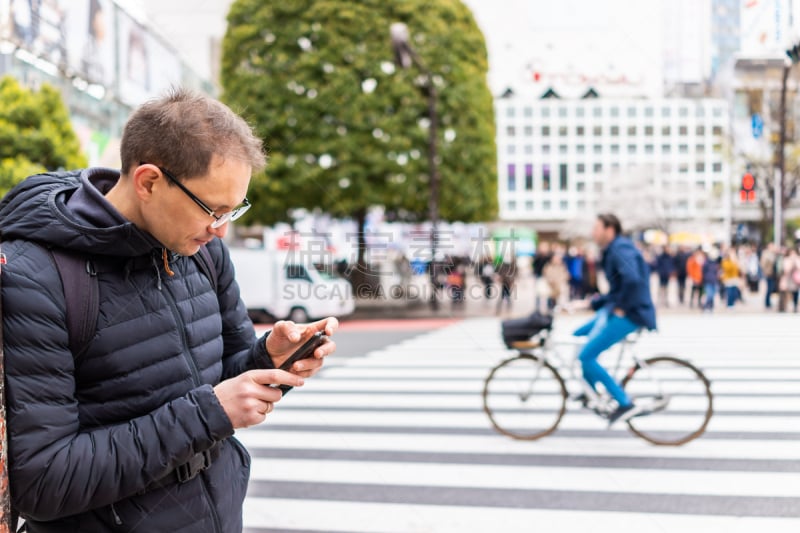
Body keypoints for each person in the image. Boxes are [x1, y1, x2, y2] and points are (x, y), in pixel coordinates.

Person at [0, 89, 338, 532]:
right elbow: (44, 481)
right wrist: (208, 413)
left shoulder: (200, 251)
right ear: (148, 181)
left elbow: (222, 380)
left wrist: (268, 360)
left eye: (233, 211)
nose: (219, 230)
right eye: (212, 209)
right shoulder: (35, 274)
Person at [573, 214, 657, 425]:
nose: (593, 233)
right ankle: (590, 390)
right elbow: (619, 288)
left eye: (596, 228)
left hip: (631, 313)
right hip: (620, 309)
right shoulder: (615, 249)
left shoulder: (620, 249)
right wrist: (592, 304)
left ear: (609, 229)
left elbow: (632, 280)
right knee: (578, 335)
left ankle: (624, 401)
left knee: (586, 356)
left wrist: (621, 307)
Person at [761, 243, 778, 309]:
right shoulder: (766, 254)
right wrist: (765, 272)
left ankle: (768, 302)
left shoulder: (772, 253)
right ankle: (767, 303)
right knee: (769, 288)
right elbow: (763, 264)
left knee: (771, 288)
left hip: (772, 273)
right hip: (769, 273)